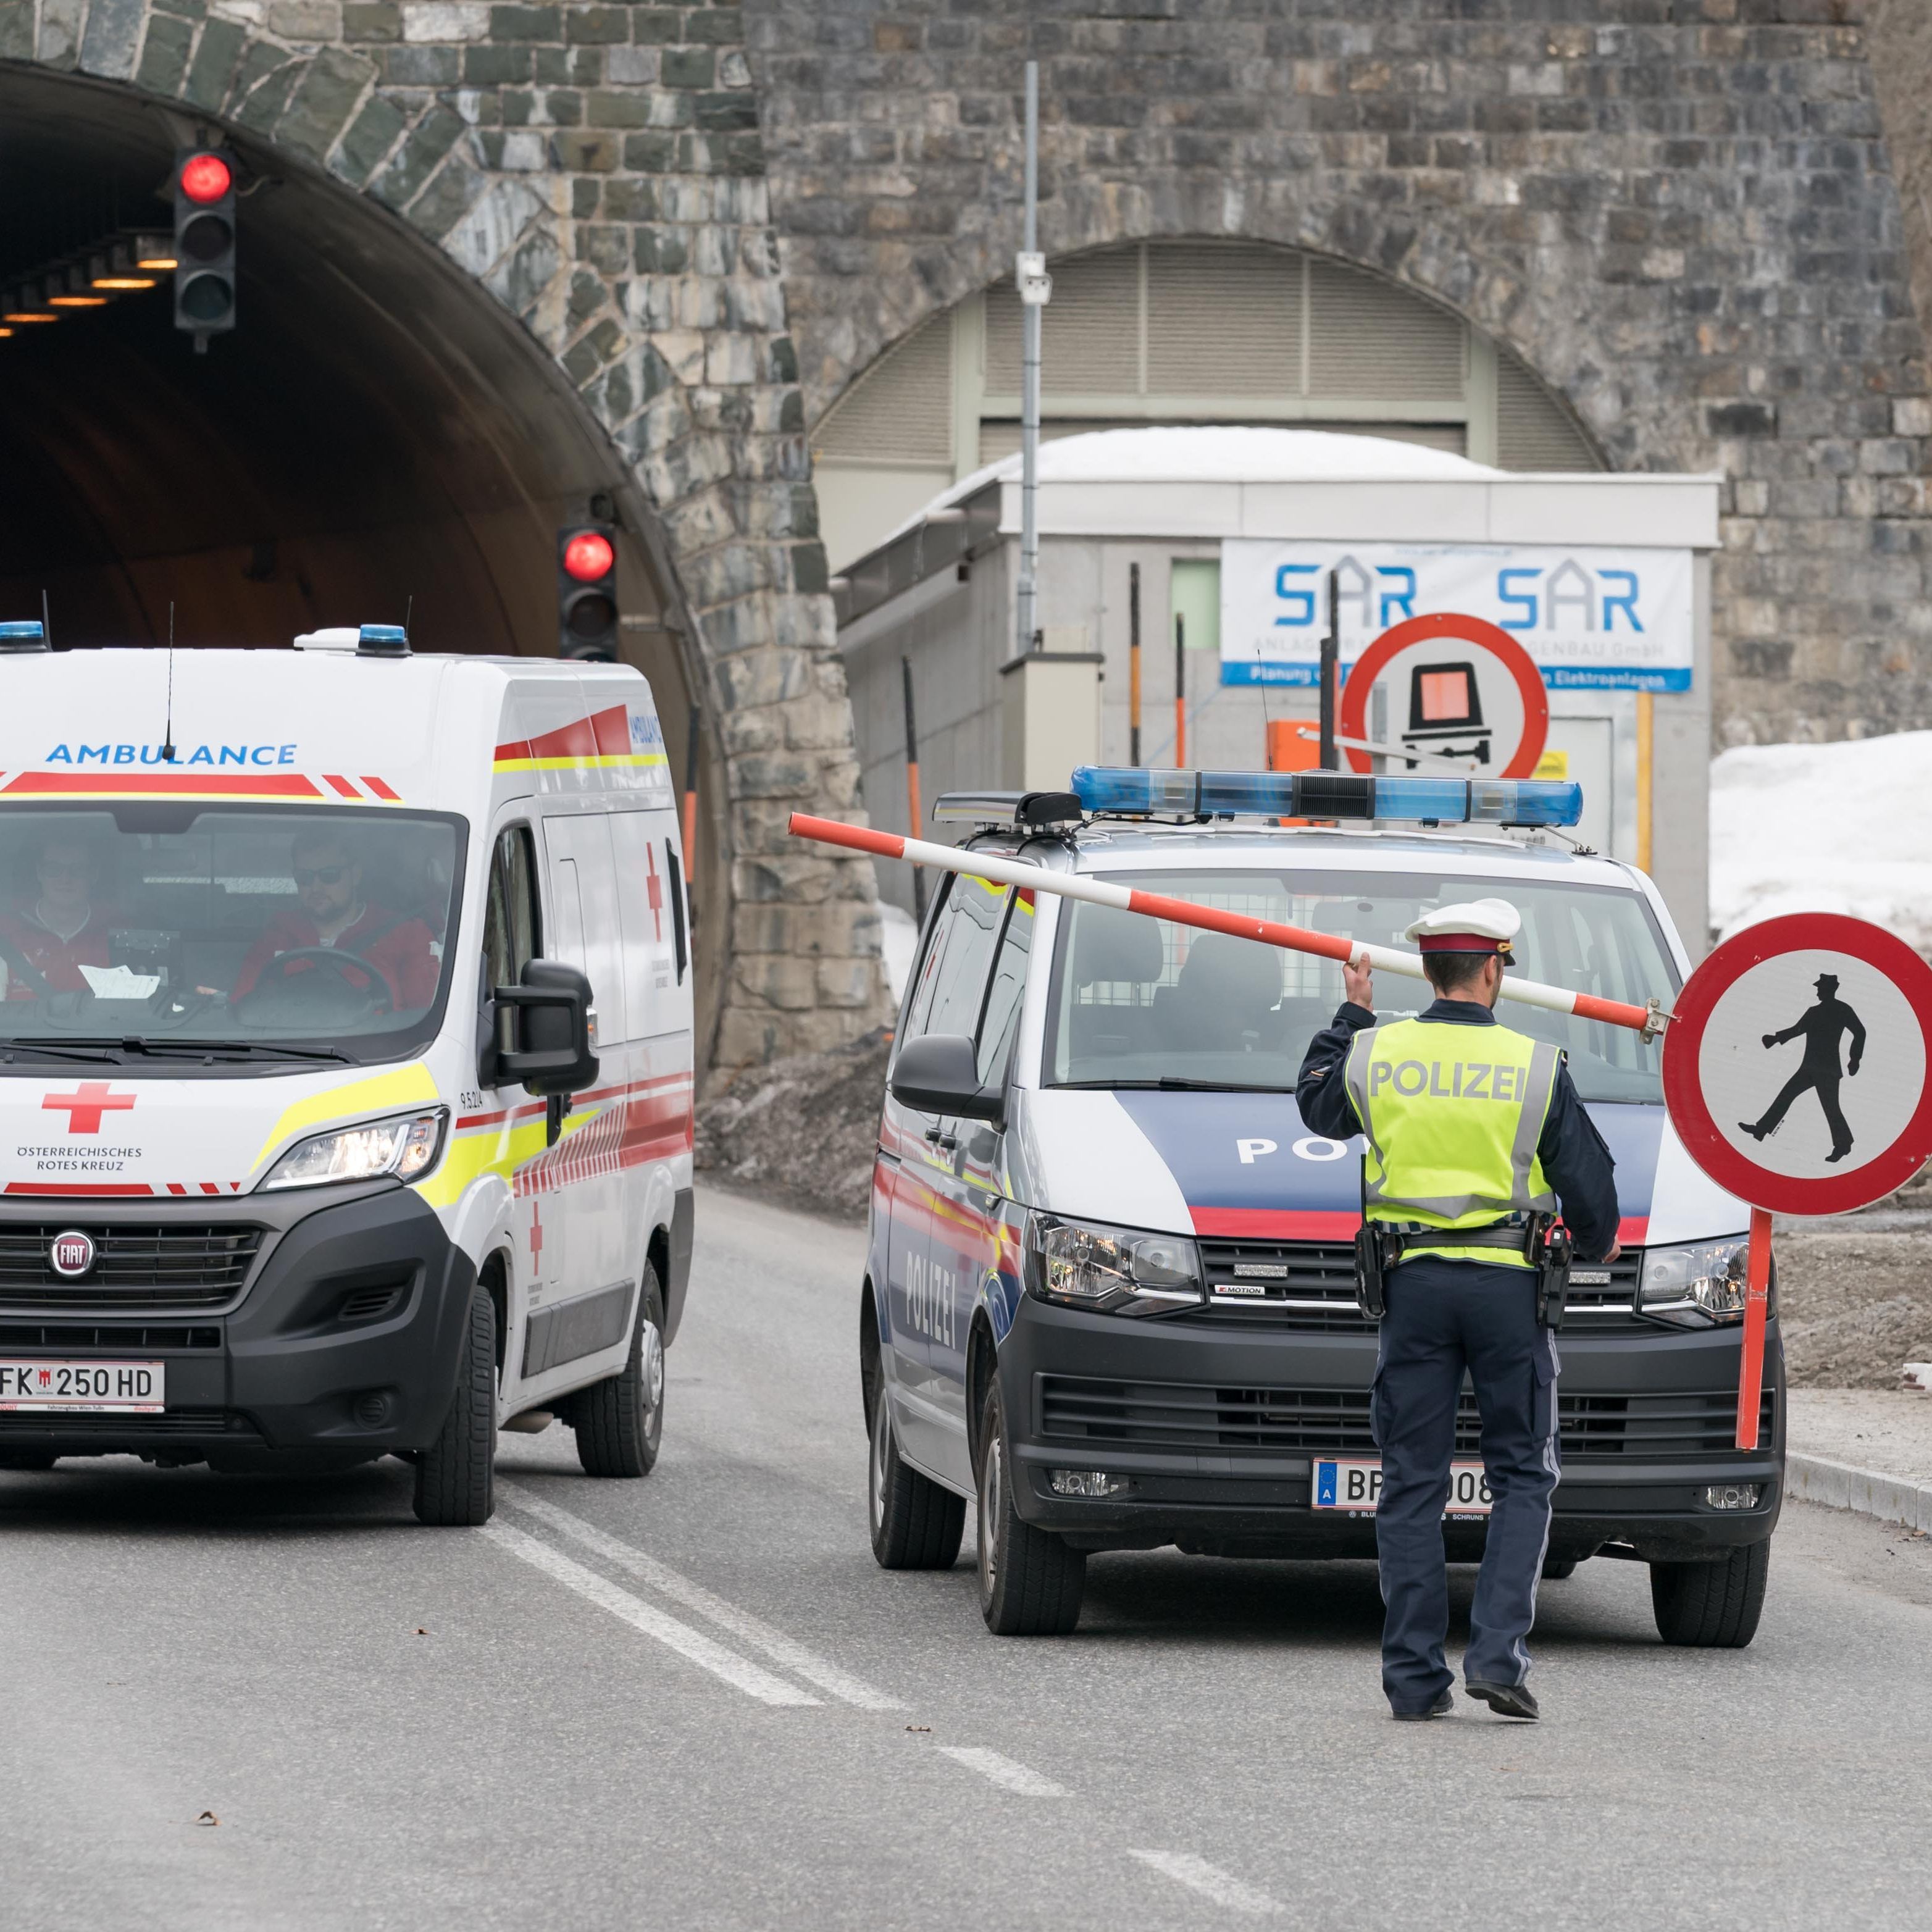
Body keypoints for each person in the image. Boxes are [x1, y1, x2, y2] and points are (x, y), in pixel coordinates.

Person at [1296, 898, 1620, 1724]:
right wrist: (1598, 1239)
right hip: (1508, 1291)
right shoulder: (1533, 1063)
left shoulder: (1375, 1054)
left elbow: (1315, 1107)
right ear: (1491, 969)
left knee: (1410, 1481)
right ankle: (1496, 1660)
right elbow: (1587, 1184)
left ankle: (1412, 1680)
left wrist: (1349, 1014)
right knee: (1520, 1473)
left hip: (1412, 1291)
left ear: (1431, 971)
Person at [231, 829, 440, 1011]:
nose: (315, 888)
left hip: (380, 1055)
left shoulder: (405, 933)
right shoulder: (278, 932)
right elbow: (241, 1009)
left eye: (329, 875)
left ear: (356, 875)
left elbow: (425, 1016)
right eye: (305, 877)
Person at [1739, 972, 1864, 1163]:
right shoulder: (1814, 1011)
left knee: (1831, 1108)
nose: (1818, 993)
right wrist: (1775, 1038)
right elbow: (1798, 1029)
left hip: (1828, 1070)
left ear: (1830, 990)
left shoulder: (1843, 1010)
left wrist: (1855, 1059)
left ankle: (1843, 1146)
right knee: (1786, 1096)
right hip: (1809, 1067)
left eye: (1820, 989)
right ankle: (1761, 1130)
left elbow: (1860, 1032)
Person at [0, 834, 115, 999]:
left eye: (78, 870)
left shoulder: (121, 937)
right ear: (39, 873)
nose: (65, 879)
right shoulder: (5, 934)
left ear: (93, 875)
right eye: (53, 869)